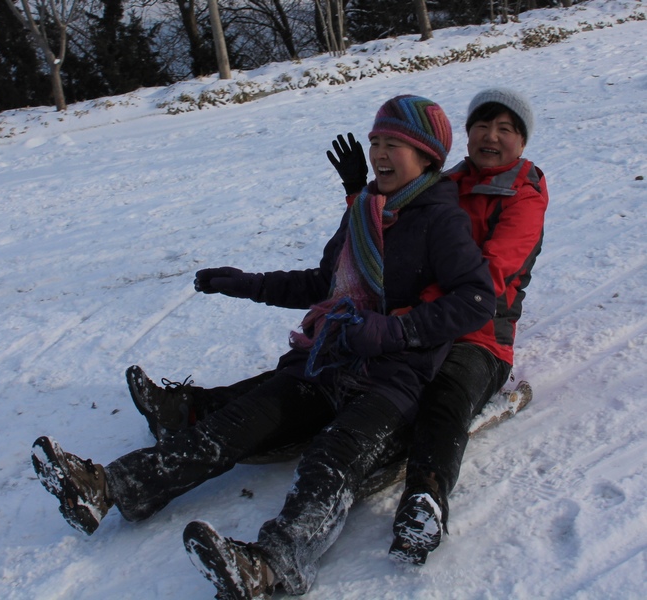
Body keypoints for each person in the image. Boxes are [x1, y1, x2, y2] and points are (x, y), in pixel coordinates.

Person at [31, 95, 495, 599]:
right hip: (329, 361)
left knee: (329, 459)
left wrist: (392, 332)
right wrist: (247, 283)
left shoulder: (440, 219)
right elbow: (322, 283)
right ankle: (111, 488)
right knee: (236, 423)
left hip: (394, 380)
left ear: (427, 156)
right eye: (376, 141)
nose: (380, 153)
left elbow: (474, 300)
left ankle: (271, 565)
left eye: (394, 145)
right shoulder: (363, 210)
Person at [129, 88, 549, 566]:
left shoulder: (521, 196)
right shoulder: (441, 182)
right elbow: (378, 244)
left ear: (521, 140)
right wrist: (354, 202)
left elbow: (484, 284)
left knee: (445, 396)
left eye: (505, 129)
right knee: (299, 380)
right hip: (403, 323)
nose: (491, 137)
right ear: (466, 133)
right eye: (483, 126)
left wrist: (399, 319)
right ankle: (194, 409)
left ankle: (425, 497)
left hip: (476, 331)